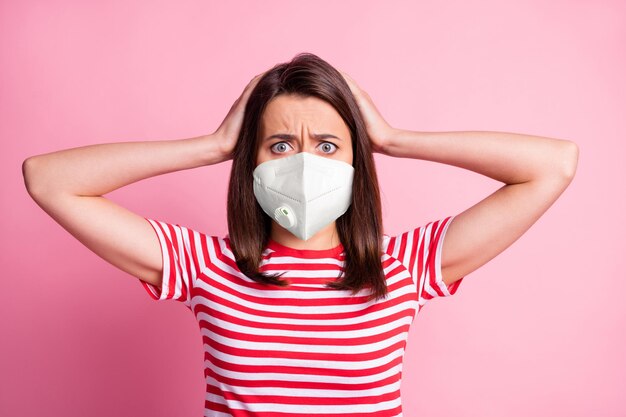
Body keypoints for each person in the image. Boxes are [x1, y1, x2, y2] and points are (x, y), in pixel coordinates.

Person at [22, 52, 578, 416]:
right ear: (253, 162)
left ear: (357, 163)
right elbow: (49, 180)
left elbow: (553, 165)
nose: (306, 163)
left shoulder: (404, 265)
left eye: (329, 145)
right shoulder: (206, 266)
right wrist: (213, 146)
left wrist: (392, 137)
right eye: (281, 145)